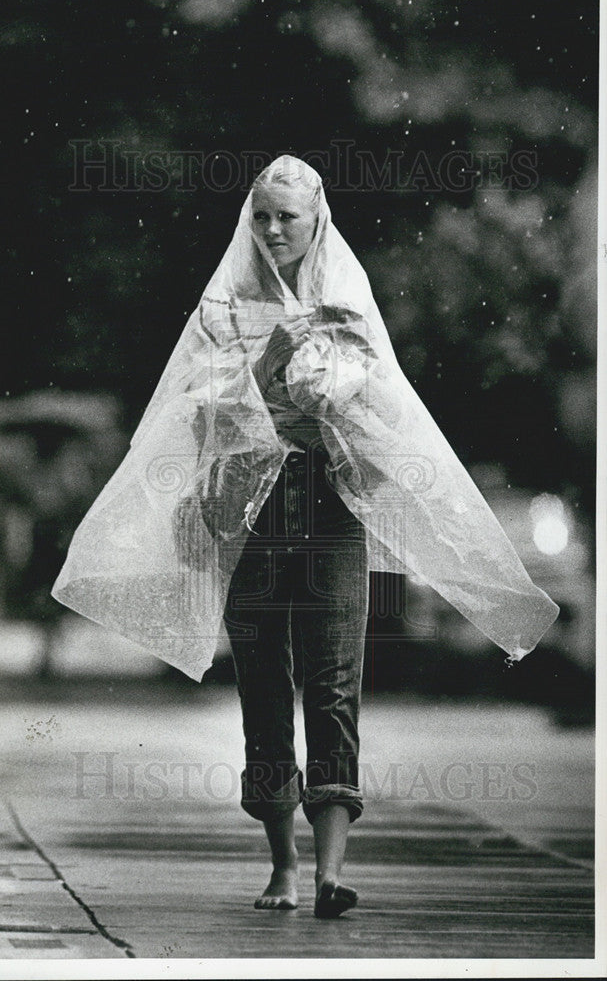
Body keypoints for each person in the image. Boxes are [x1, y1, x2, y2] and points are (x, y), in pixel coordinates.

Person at [52, 155, 559, 919]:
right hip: (251, 522)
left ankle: (329, 873)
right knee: (262, 690)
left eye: (287, 216)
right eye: (261, 214)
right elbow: (201, 416)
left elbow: (381, 419)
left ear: (317, 218)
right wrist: (272, 362)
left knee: (332, 688)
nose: (273, 228)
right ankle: (282, 867)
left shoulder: (346, 304)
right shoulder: (222, 306)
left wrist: (330, 387)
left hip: (332, 517)